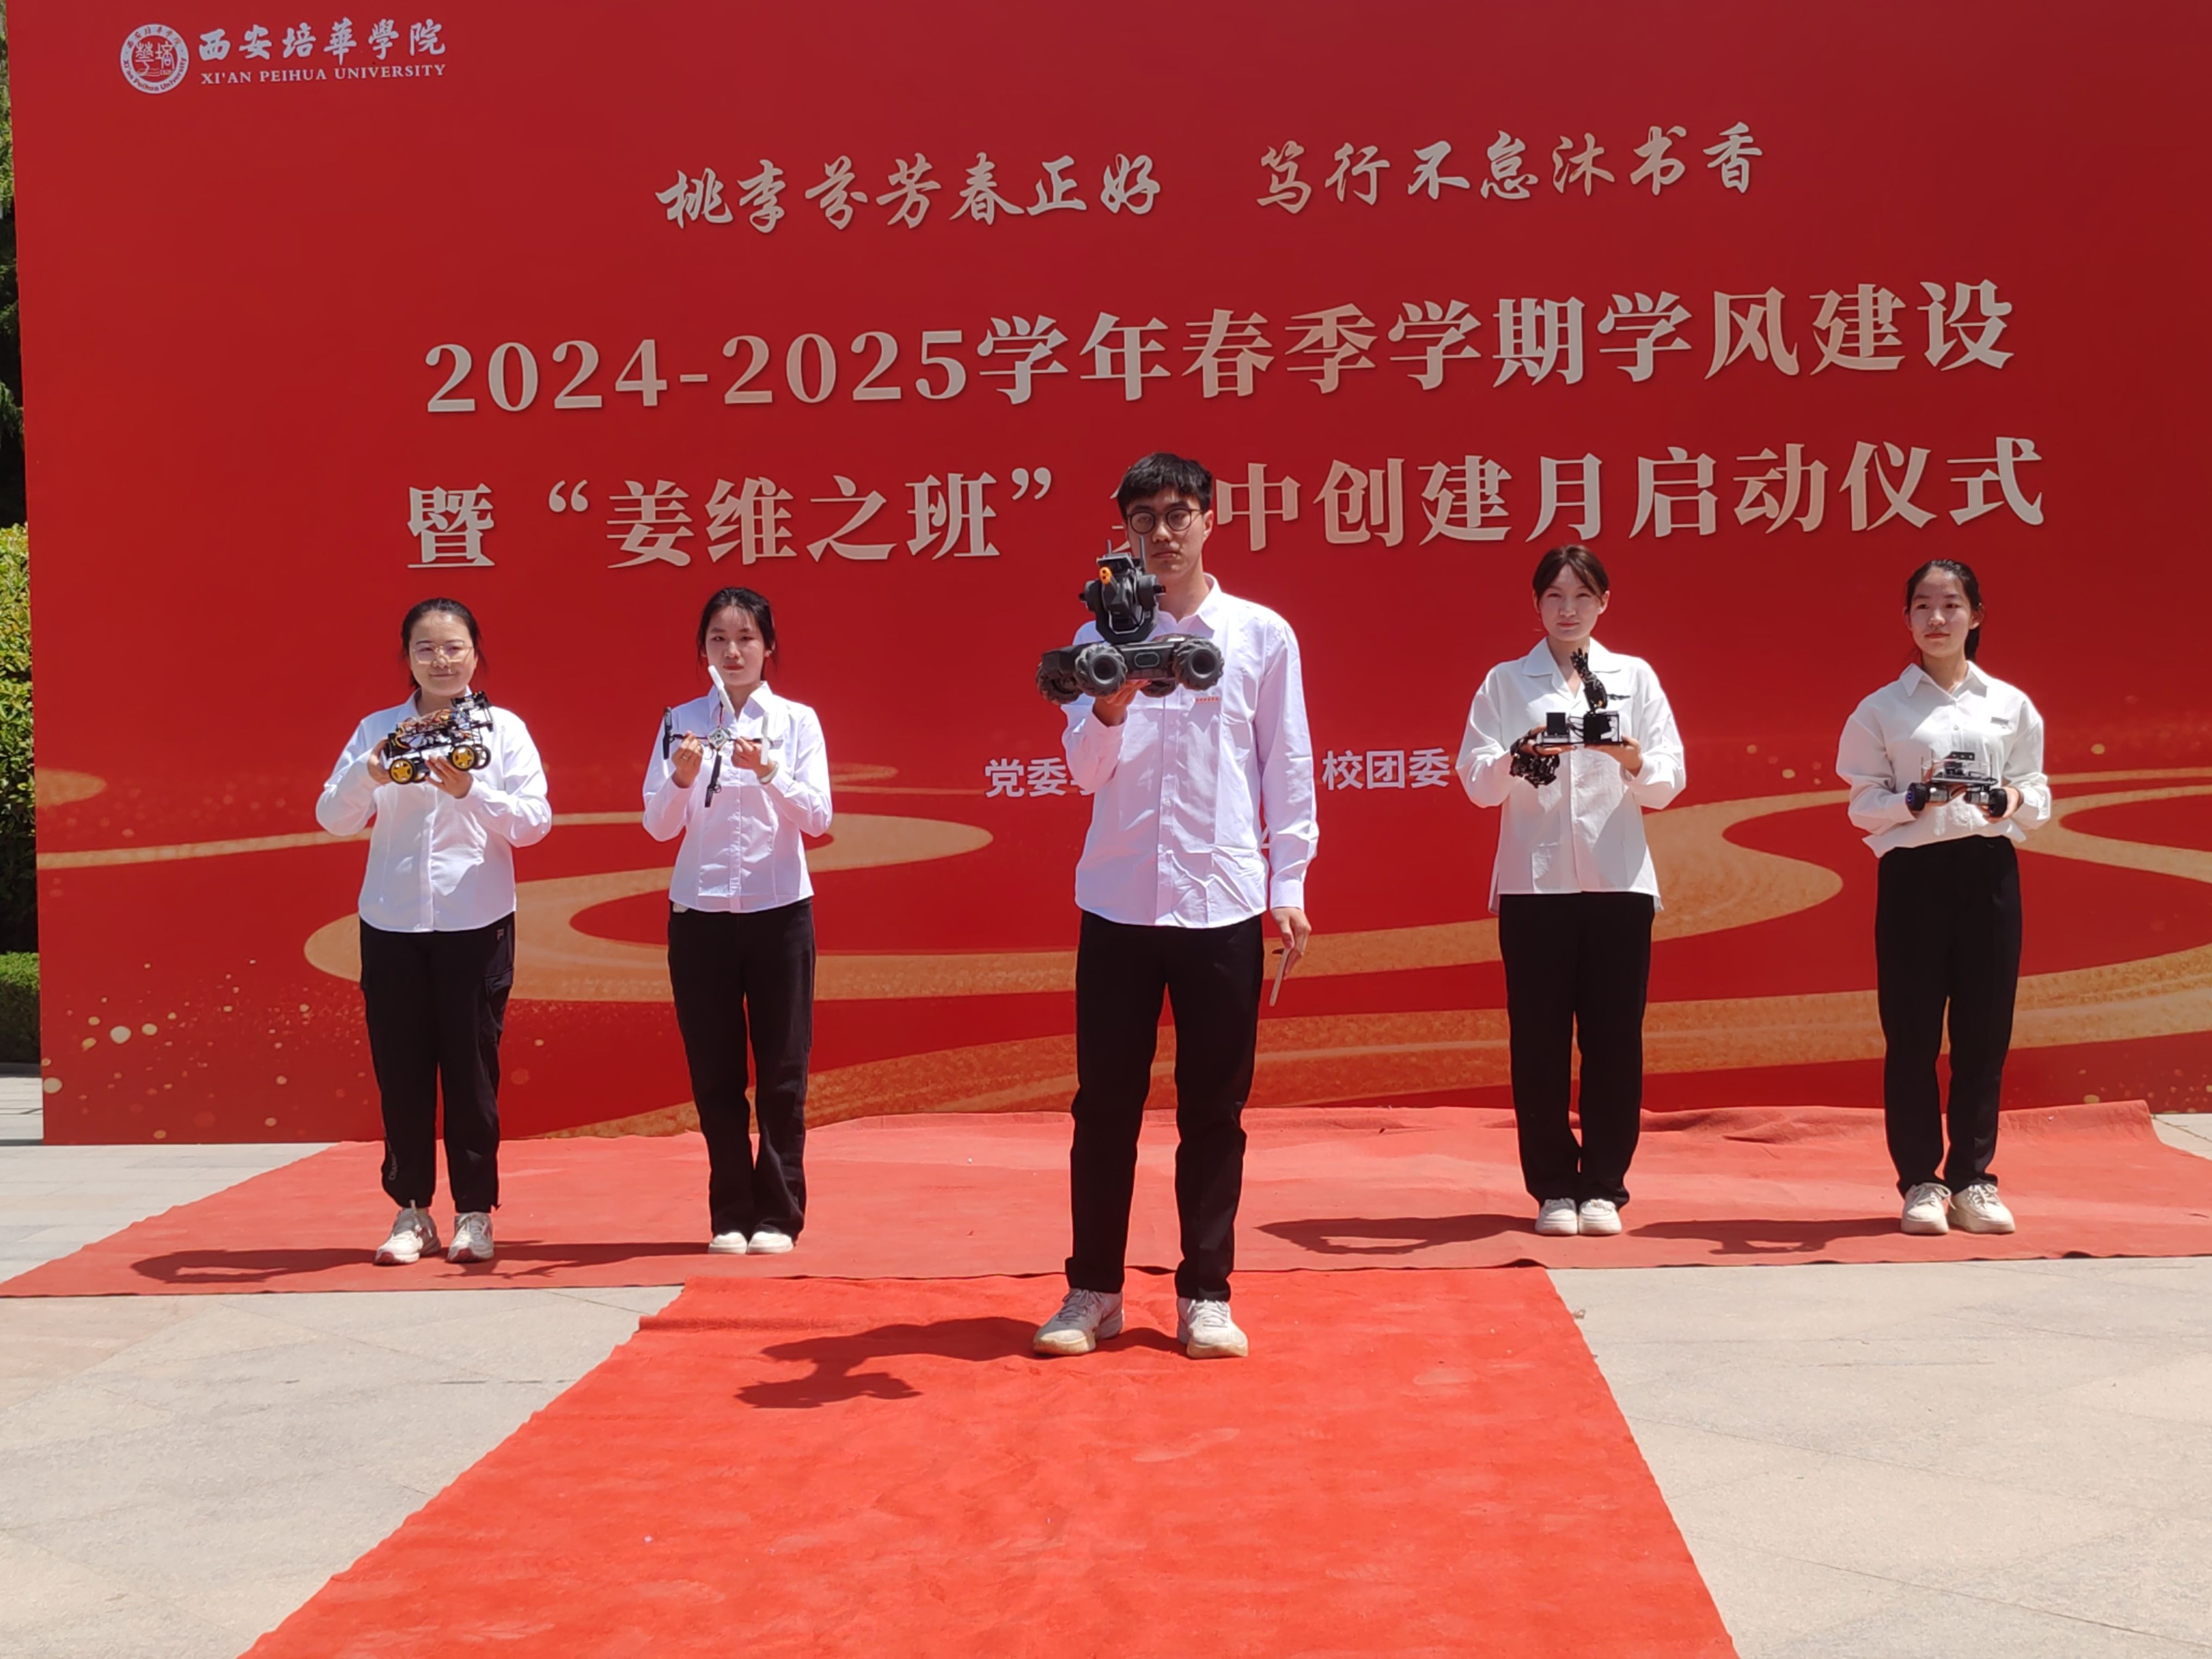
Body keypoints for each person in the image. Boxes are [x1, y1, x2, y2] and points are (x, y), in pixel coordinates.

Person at [1032, 452, 1317, 1361]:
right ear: (1124, 530)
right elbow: (1083, 773)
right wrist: (1109, 706)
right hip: (1119, 899)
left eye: (1178, 513)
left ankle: (1205, 1293)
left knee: (1213, 1111)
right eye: (1144, 517)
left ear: (1208, 519)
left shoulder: (1260, 635)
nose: (1162, 532)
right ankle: (1094, 1290)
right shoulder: (1099, 635)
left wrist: (1287, 884)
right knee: (1104, 1109)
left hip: (1221, 901)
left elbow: (1286, 765)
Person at [1455, 546, 1685, 1238]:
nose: (1567, 610)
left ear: (1603, 603)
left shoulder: (1632, 677)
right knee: (1539, 1040)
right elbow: (1475, 783)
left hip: (1618, 883)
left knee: (1614, 1039)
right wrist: (1520, 754)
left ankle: (1604, 1186)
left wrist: (1625, 753)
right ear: (1535, 605)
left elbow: (1667, 780)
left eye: (1581, 596)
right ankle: (1553, 1185)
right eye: (1554, 596)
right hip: (1534, 885)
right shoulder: (1505, 682)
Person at [317, 598, 551, 1266]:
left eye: (453, 647)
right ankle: (411, 1211)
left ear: (475, 653)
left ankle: (474, 1212)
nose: (441, 660)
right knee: (401, 1071)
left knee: (471, 1073)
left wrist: (470, 793)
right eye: (425, 648)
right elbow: (333, 817)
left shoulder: (504, 731)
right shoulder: (379, 730)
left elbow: (534, 822)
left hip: (475, 921)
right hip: (392, 922)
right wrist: (368, 771)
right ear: (408, 657)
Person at [1838, 559, 2048, 1236]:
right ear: (1905, 619)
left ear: (1974, 616)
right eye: (1922, 606)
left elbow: (2035, 790)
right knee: (1911, 1037)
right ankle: (1920, 1183)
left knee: (1983, 1037)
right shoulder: (1881, 708)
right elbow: (1861, 804)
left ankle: (1973, 1179)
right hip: (1913, 876)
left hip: (1987, 873)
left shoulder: (2008, 703)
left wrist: (2006, 798)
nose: (1936, 618)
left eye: (1951, 605)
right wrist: (1913, 797)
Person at [644, 587, 832, 1256]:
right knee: (715, 1073)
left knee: (783, 1069)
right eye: (719, 639)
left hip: (778, 913)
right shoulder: (682, 721)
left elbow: (818, 817)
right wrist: (679, 778)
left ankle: (779, 1213)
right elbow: (656, 824)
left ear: (768, 647)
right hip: (700, 916)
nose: (732, 651)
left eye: (746, 637)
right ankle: (729, 1211)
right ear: (702, 649)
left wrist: (770, 769)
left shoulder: (796, 722)